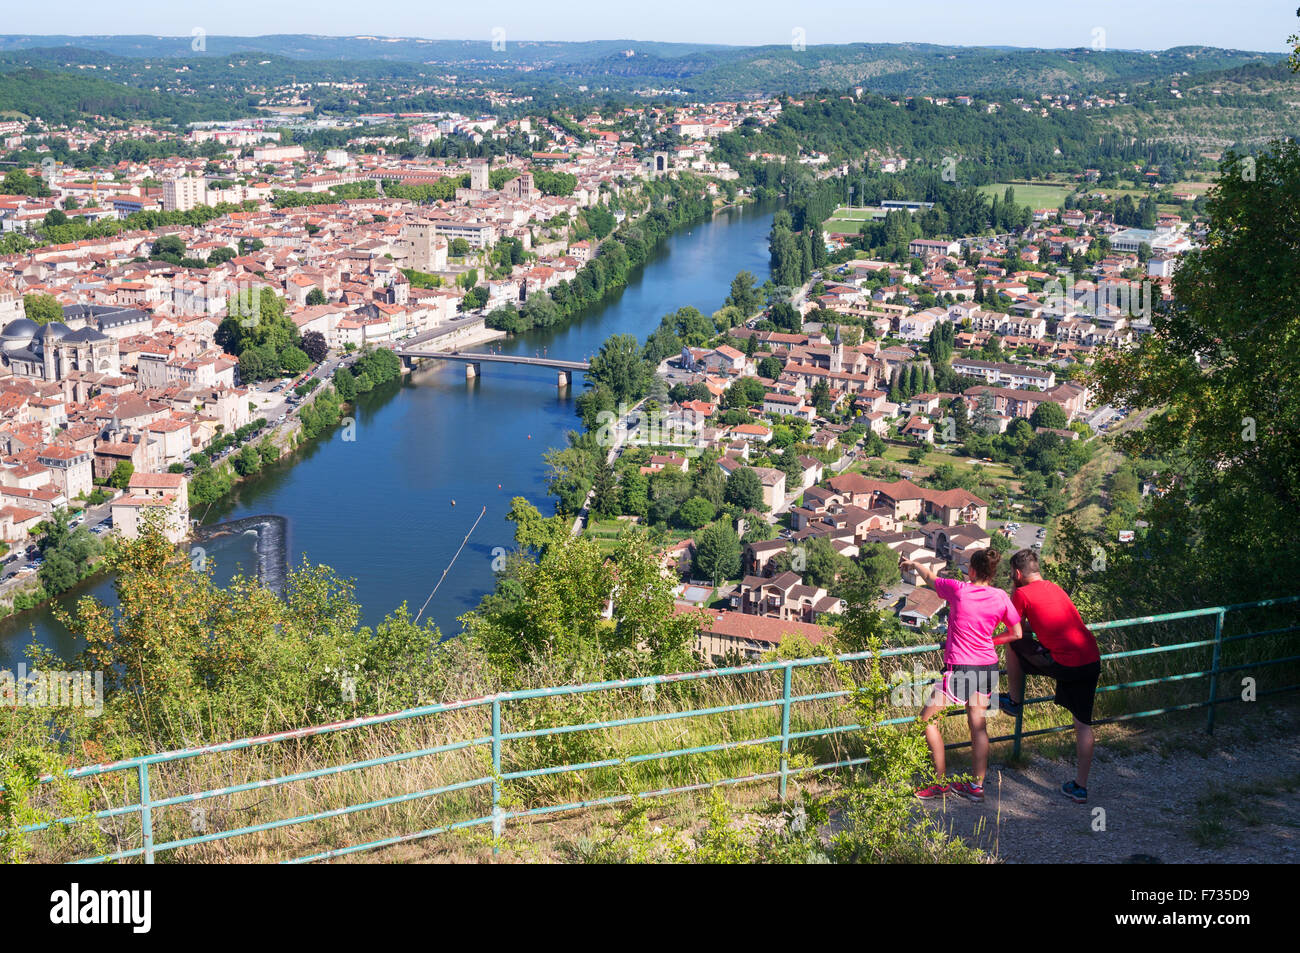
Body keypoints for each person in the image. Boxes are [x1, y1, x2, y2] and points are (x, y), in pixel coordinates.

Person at [901, 548, 1021, 803]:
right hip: (988, 666)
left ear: (973, 570)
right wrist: (992, 640)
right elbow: (1017, 633)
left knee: (927, 721)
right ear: (992, 572)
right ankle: (976, 787)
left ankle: (940, 783)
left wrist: (913, 563)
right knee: (977, 725)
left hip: (962, 667)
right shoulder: (1000, 596)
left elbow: (930, 577)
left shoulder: (959, 590)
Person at [1000, 549, 1101, 804]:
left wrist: (1014, 591)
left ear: (1018, 573)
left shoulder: (1021, 592)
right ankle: (1080, 786)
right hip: (1090, 658)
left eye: (1013, 573)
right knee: (1083, 724)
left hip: (1065, 663)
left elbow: (1014, 630)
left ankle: (1013, 701)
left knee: (1012, 644)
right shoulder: (1055, 587)